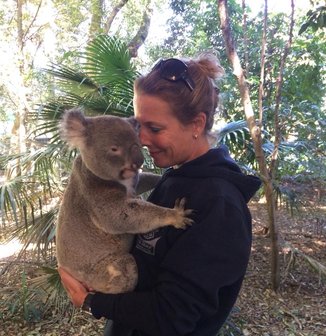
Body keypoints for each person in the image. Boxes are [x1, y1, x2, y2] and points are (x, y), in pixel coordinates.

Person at [58, 53, 261, 336]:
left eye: (155, 128)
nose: (139, 139)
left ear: (196, 125)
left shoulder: (219, 205)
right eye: (139, 126)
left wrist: (92, 302)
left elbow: (173, 316)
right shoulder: (175, 179)